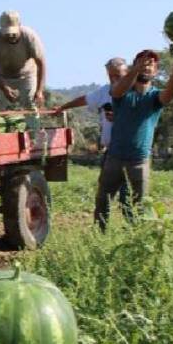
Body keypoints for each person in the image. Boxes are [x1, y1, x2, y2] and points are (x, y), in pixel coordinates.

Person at [96, 49, 173, 230]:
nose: (146, 66)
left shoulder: (155, 96)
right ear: (133, 67)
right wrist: (135, 70)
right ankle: (99, 235)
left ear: (156, 71)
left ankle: (135, 237)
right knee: (103, 200)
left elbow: (169, 95)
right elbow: (117, 91)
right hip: (115, 158)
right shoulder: (122, 91)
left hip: (139, 161)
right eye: (142, 62)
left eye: (151, 64)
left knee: (137, 206)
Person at [53, 57, 128, 228]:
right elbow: (84, 99)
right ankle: (100, 232)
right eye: (111, 76)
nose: (114, 79)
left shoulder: (133, 92)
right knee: (103, 195)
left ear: (127, 73)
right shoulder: (104, 92)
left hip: (131, 153)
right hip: (111, 152)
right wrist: (63, 107)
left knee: (128, 197)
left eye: (118, 75)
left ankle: (134, 232)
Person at [0, 10, 46, 110]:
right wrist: (4, 87)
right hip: (2, 76)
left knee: (30, 107)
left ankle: (33, 126)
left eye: (13, 32)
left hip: (26, 75)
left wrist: (39, 91)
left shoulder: (30, 36)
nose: (10, 36)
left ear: (19, 25)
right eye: (7, 33)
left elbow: (41, 64)